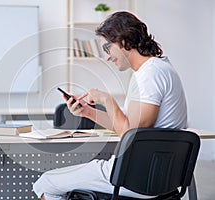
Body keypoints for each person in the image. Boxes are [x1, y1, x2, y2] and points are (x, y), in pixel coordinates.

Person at [33, 11, 187, 200]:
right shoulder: (158, 69)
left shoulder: (150, 74)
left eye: (107, 47)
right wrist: (87, 112)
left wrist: (107, 100)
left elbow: (132, 134)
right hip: (160, 178)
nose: (107, 57)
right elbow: (125, 126)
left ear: (123, 40)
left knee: (45, 183)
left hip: (133, 177)